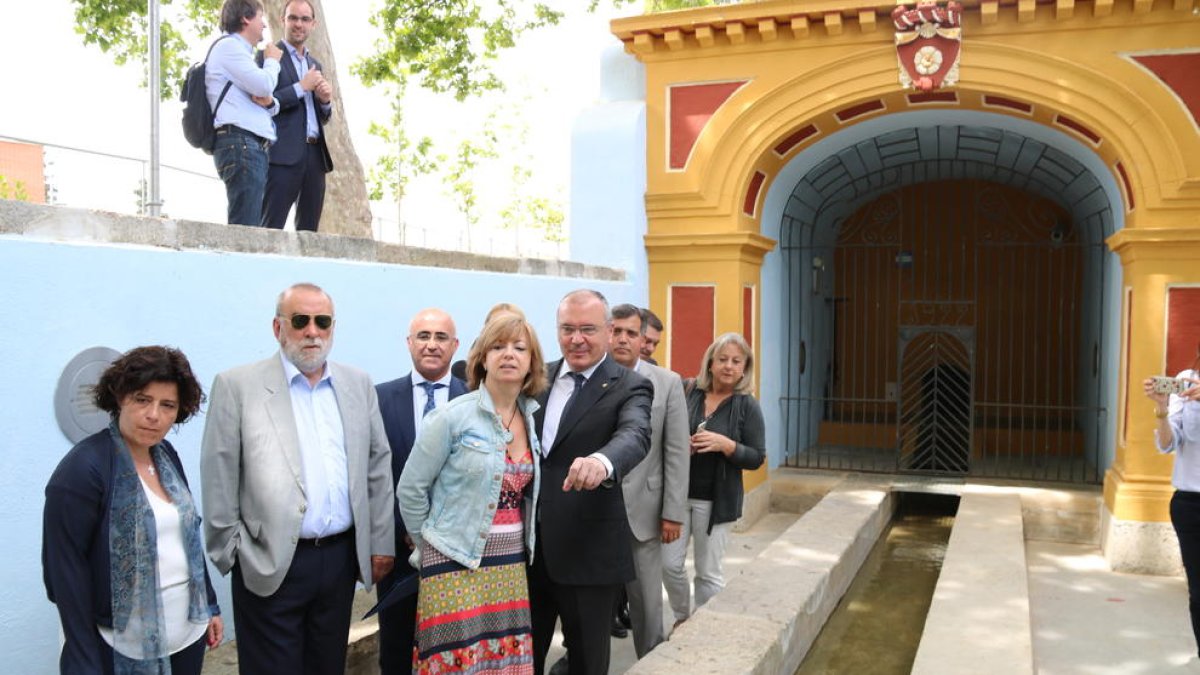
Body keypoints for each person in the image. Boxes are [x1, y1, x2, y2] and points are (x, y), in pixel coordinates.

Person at [200, 282, 395, 675]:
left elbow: (377, 465)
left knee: (327, 666)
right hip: (268, 561)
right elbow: (219, 472)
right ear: (278, 328)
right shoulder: (238, 386)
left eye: (322, 322)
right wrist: (231, 551)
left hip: (339, 561)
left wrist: (379, 542)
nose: (312, 331)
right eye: (300, 320)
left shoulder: (357, 383)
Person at [43, 346, 223, 674]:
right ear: (119, 397)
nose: (154, 415)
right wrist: (84, 660)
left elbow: (186, 535)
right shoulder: (82, 470)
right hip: (120, 646)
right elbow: (65, 573)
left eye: (167, 405)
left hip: (187, 636)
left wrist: (208, 604)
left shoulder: (165, 455)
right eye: (142, 399)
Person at [397, 313, 547, 673]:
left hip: (509, 566)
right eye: (498, 346)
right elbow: (411, 489)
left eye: (519, 348)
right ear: (482, 358)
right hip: (454, 563)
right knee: (457, 664)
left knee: (501, 664)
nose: (508, 354)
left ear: (531, 362)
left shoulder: (530, 418)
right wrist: (431, 547)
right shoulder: (452, 417)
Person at [530, 289, 652, 675]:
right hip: (527, 553)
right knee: (520, 662)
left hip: (588, 553)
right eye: (567, 329)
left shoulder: (629, 385)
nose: (576, 339)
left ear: (608, 330)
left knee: (587, 662)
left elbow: (635, 434)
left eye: (587, 329)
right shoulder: (536, 378)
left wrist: (602, 461)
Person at [374, 308, 466, 675]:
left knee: (452, 652)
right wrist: (404, 531)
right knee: (396, 651)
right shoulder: (380, 398)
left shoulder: (474, 400)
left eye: (441, 337)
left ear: (455, 345)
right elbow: (374, 475)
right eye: (423, 336)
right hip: (398, 552)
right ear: (409, 343)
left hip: (457, 552)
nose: (431, 344)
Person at [662, 332, 766, 627]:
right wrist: (679, 443)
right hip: (677, 497)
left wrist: (727, 445)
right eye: (722, 359)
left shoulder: (747, 406)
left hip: (716, 503)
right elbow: (664, 432)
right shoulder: (688, 391)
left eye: (736, 361)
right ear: (710, 363)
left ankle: (705, 627)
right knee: (668, 565)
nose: (728, 366)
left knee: (708, 573)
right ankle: (683, 618)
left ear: (744, 368)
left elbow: (757, 457)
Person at [608, 304, 690, 657]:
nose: (622, 339)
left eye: (631, 333)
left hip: (644, 509)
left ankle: (652, 660)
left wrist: (672, 512)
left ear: (643, 339)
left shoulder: (667, 383)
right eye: (616, 331)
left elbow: (676, 452)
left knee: (646, 602)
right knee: (590, 601)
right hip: (593, 509)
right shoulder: (587, 378)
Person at [259, 0, 334, 232]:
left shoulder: (315, 64)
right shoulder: (268, 57)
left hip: (315, 157)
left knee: (309, 233)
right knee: (270, 229)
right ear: (283, 20)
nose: (298, 24)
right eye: (293, 18)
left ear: (313, 24)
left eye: (304, 19)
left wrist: (325, 102)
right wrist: (301, 87)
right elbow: (263, 101)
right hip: (281, 156)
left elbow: (320, 117)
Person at [208, 0, 282, 226]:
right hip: (241, 145)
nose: (264, 25)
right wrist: (272, 61)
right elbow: (264, 85)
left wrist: (270, 102)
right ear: (245, 18)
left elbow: (266, 99)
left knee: (249, 227)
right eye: (261, 18)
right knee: (246, 230)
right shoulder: (229, 48)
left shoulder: (240, 54)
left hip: (248, 147)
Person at [1145, 354, 1200, 657]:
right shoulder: (1185, 380)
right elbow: (1168, 443)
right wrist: (1161, 408)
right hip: (1189, 505)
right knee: (1199, 594)